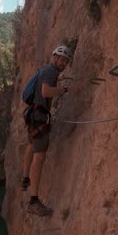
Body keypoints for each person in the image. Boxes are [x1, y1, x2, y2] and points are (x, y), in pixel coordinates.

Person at [21, 45, 76, 216]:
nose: (64, 63)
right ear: (55, 57)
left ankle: (25, 179)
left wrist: (59, 80)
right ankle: (34, 201)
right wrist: (65, 89)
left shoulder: (47, 71)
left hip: (33, 116)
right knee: (40, 156)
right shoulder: (51, 72)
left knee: (31, 146)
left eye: (66, 61)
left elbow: (43, 85)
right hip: (39, 117)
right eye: (62, 59)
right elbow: (45, 91)